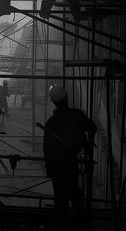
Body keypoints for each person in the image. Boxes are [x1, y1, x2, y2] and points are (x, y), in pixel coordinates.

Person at [43, 84, 97, 216]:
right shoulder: (77, 115)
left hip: (56, 165)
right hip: (71, 162)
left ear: (53, 101)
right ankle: (79, 217)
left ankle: (64, 221)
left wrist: (48, 167)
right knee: (73, 190)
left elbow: (47, 148)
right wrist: (88, 149)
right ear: (67, 97)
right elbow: (92, 128)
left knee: (60, 197)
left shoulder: (51, 122)